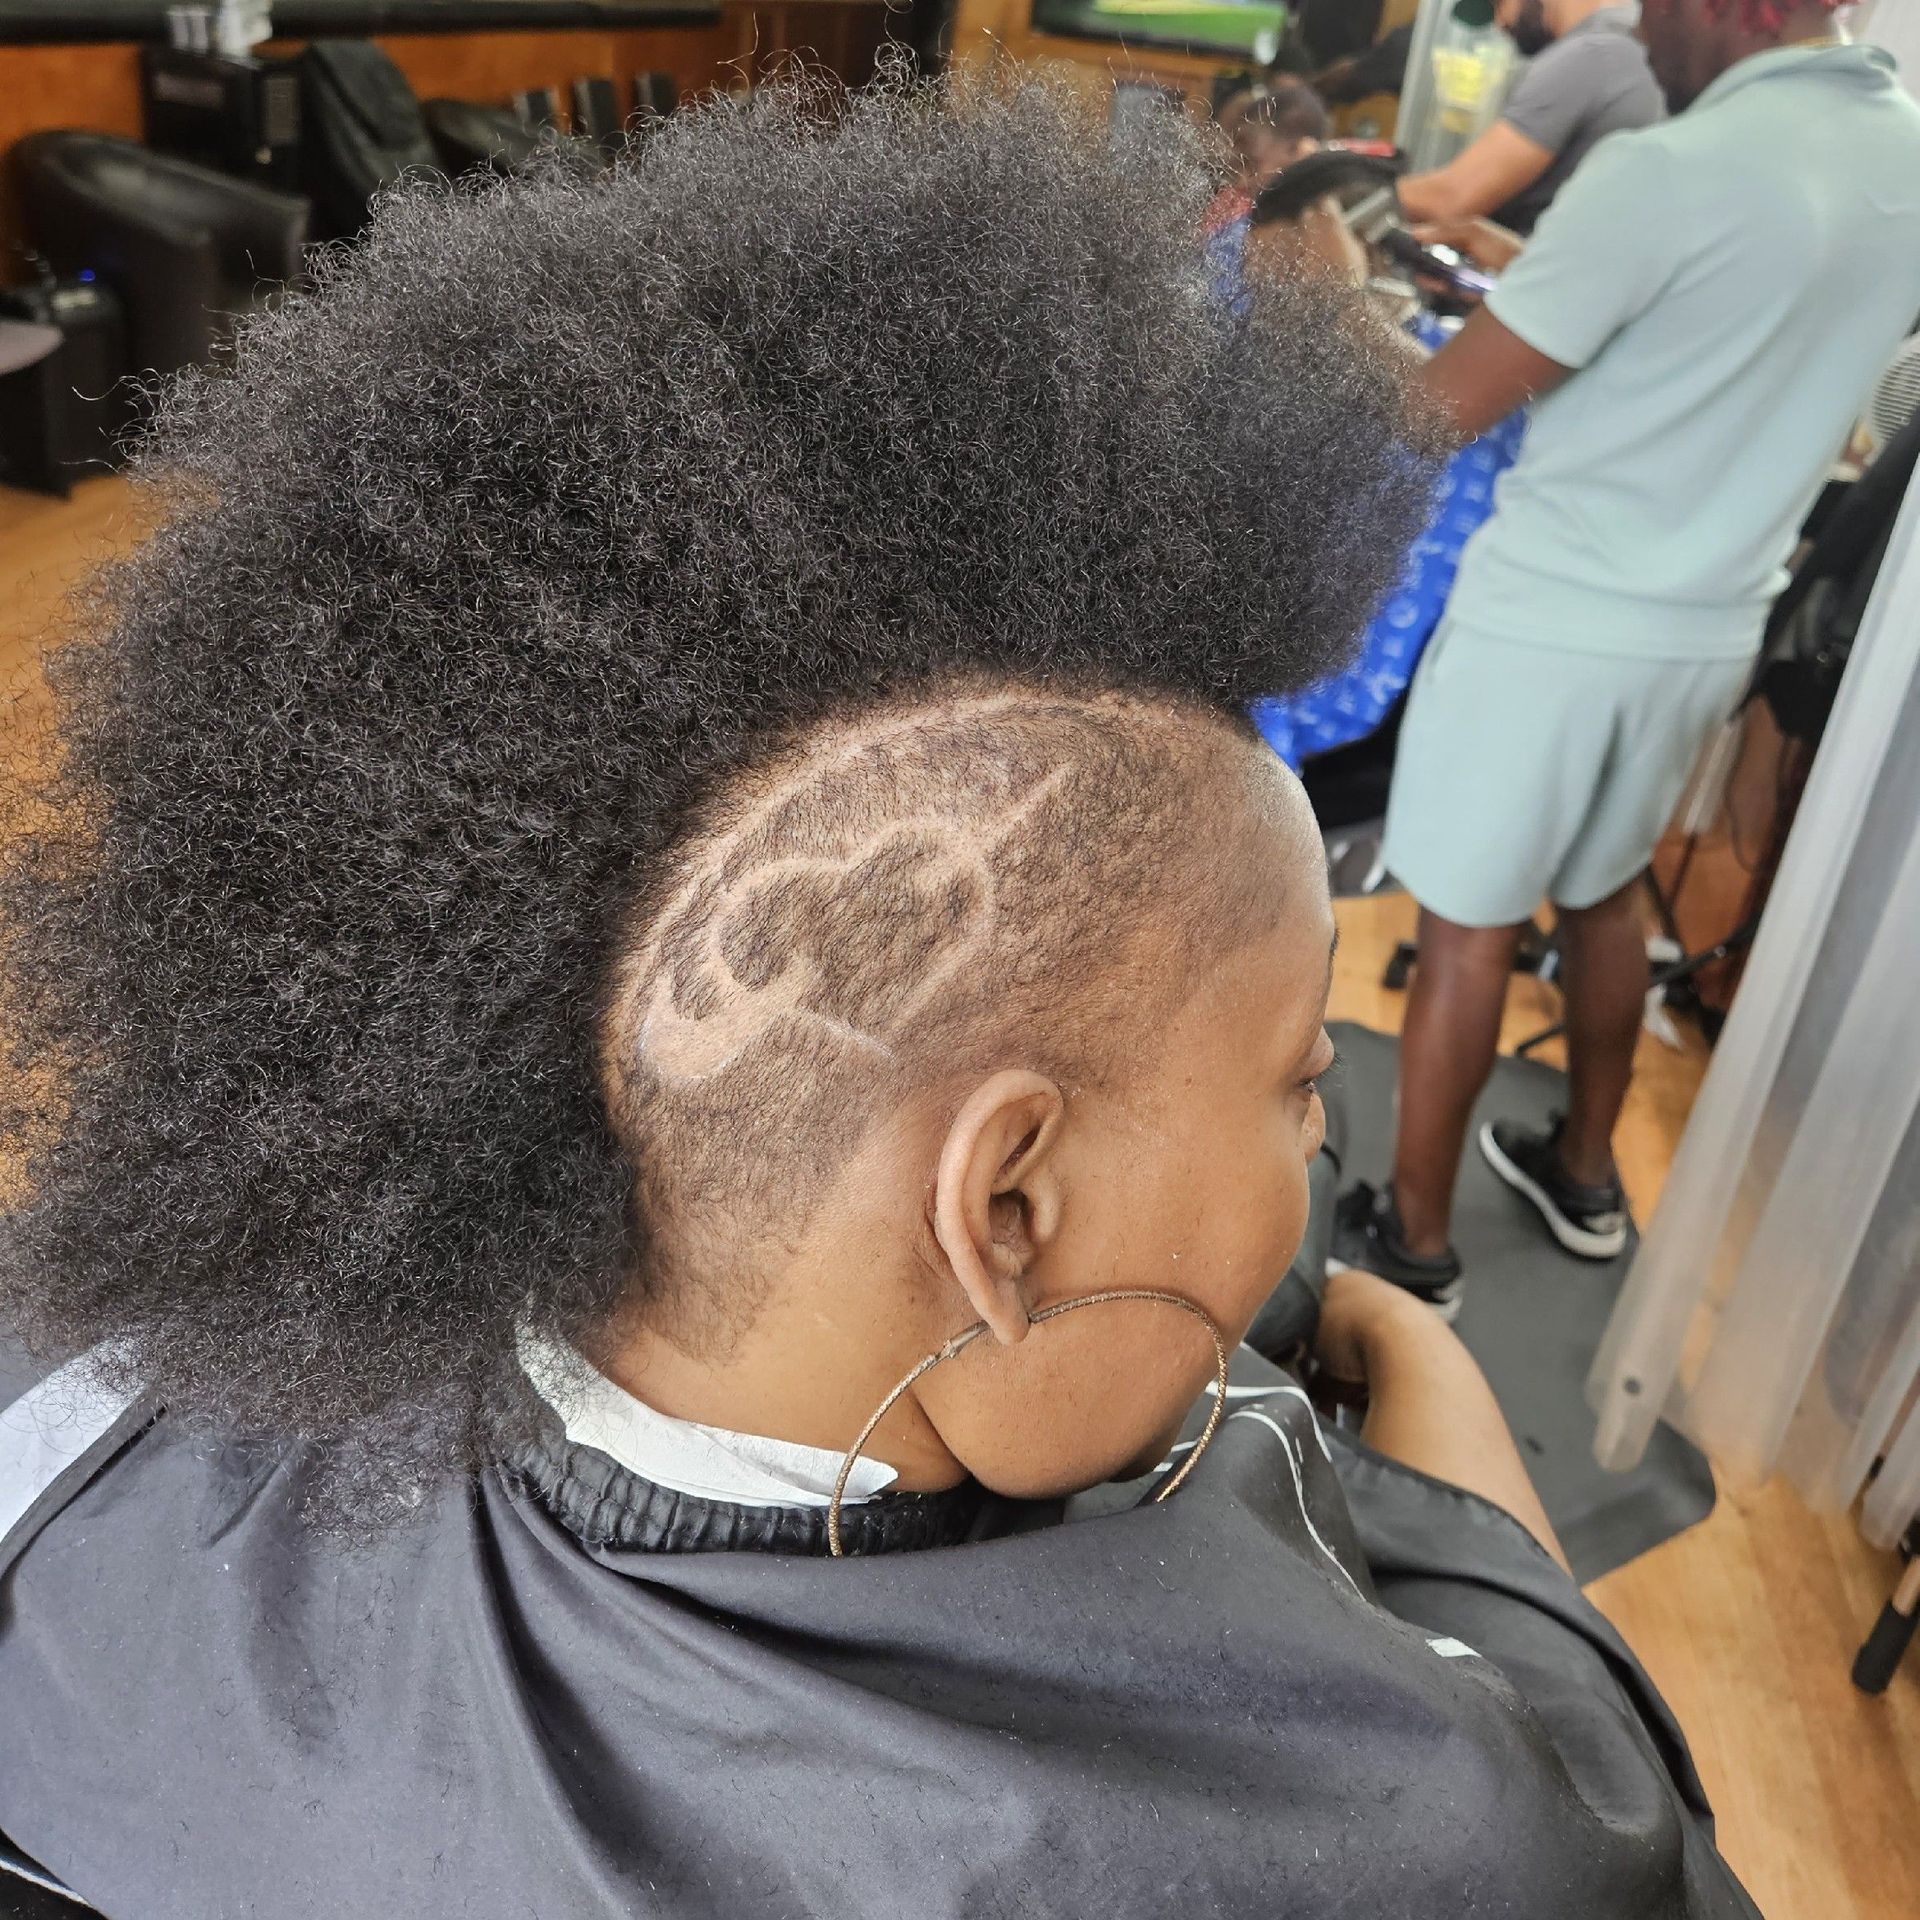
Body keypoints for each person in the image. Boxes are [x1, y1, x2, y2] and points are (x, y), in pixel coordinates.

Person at [0, 75, 1757, 1919]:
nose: (1315, 1134)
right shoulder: (1447, 1844)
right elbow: (1607, 1816)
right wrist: (1452, 1448)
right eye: (1299, 1078)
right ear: (1004, 1205)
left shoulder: (81, 1429)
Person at [1334, 0, 1920, 1314]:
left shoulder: (1665, 173)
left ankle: (1411, 1249)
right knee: (1603, 896)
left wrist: (1328, 294)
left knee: (1467, 926)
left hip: (1551, 618)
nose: (1643, 30)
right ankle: (1587, 1177)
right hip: (1711, 623)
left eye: (1663, 3)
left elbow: (1428, 416)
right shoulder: (1906, 157)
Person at [1396, 0, 1664, 234]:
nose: (1500, 24)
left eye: (1498, 3)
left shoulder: (1591, 54)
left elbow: (1450, 200)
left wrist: (1361, 195)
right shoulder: (1642, 47)